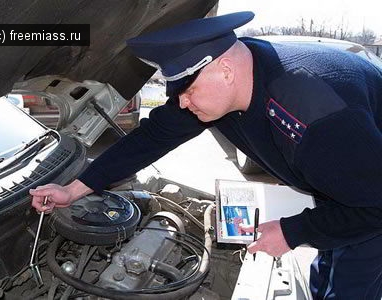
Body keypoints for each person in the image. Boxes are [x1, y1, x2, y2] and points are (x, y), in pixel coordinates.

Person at [30, 11, 382, 300]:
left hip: (371, 188)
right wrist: (74, 190)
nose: (182, 102)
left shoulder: (313, 113)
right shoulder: (225, 85)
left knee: (354, 280)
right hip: (351, 177)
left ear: (225, 72)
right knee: (329, 259)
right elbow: (150, 138)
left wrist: (293, 231)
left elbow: (372, 205)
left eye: (188, 91)